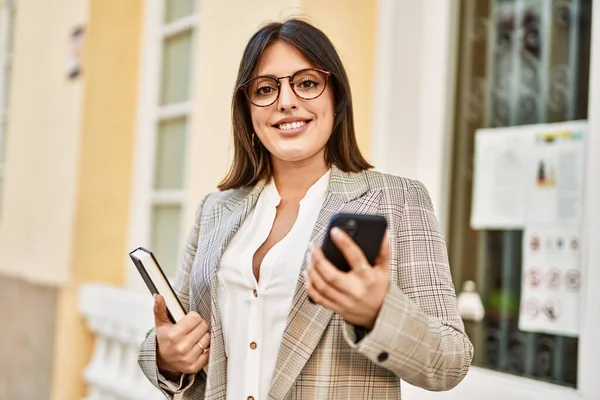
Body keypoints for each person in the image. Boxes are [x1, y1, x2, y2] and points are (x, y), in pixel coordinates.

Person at [138, 18, 473, 400]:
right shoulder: (215, 209)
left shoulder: (396, 199)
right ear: (248, 112)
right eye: (265, 89)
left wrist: (377, 313)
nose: (285, 101)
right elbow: (174, 334)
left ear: (336, 98)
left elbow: (451, 361)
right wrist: (167, 356)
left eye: (307, 83)